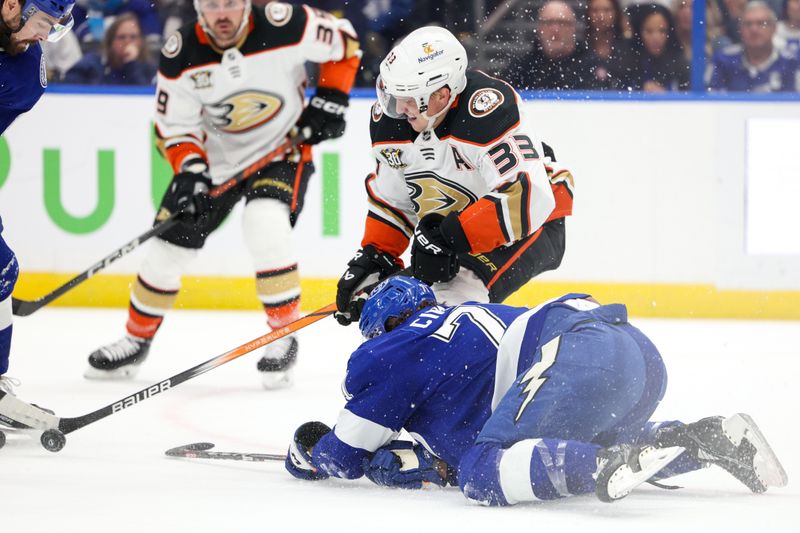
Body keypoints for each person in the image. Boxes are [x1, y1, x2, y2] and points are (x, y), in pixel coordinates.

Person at [284, 276, 788, 505]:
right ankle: (709, 439)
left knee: (485, 473)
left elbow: (342, 455)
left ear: (385, 327)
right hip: (634, 353)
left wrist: (304, 450)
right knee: (561, 443)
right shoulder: (459, 321)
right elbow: (503, 426)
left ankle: (601, 465)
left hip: (573, 352)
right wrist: (436, 467)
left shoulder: (394, 348)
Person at [85, 0, 361, 388]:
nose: (223, 14)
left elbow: (345, 42)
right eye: (213, 5)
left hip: (283, 150)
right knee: (167, 249)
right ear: (198, 8)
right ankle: (135, 339)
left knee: (264, 223)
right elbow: (174, 128)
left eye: (231, 3)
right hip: (215, 161)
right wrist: (192, 172)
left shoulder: (287, 23)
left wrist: (331, 98)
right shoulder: (180, 53)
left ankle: (283, 334)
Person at [334, 25, 573, 329]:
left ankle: (487, 369)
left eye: (408, 96)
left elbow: (527, 197)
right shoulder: (391, 121)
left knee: (451, 302)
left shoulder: (486, 111)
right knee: (392, 313)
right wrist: (375, 257)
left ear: (442, 93)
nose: (397, 106)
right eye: (393, 93)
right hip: (459, 225)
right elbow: (394, 202)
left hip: (534, 220)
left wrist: (449, 238)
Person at [1, 0, 76, 413]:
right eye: (45, 23)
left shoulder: (24, 73)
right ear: (13, 5)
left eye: (54, 27)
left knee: (1, 270)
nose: (45, 36)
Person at [501, 0, 598, 90]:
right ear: (539, 27)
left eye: (562, 23)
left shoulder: (592, 67)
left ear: (573, 27)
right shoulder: (521, 68)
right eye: (548, 22)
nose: (555, 29)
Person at [708, 1, 799, 92]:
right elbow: (707, 99)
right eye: (748, 24)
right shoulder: (723, 60)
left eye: (761, 23)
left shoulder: (792, 61)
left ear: (774, 28)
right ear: (739, 29)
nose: (754, 29)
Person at [64, 12, 155, 85]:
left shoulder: (148, 68)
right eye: (121, 37)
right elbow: (69, 84)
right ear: (111, 41)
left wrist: (131, 65)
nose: (127, 42)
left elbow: (143, 98)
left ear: (141, 41)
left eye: (133, 37)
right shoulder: (94, 63)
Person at [619, 3, 690, 91]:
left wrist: (667, 96)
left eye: (662, 31)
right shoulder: (626, 61)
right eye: (649, 31)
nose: (656, 38)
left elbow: (688, 98)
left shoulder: (680, 64)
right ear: (639, 33)